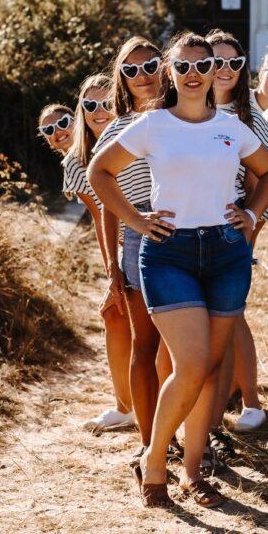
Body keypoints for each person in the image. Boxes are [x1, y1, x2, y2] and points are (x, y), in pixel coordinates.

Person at [88, 31, 268, 510]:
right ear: (170, 73)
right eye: (184, 65)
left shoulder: (233, 128)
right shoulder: (152, 126)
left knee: (212, 368)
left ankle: (192, 475)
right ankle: (155, 458)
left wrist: (252, 214)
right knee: (191, 363)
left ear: (213, 71)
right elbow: (99, 172)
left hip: (225, 252)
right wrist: (135, 220)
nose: (195, 73)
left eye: (203, 65)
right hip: (169, 254)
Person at [91, 36, 168, 463]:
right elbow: (105, 198)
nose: (142, 76)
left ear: (165, 66)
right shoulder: (118, 129)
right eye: (131, 70)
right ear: (122, 77)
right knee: (146, 344)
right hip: (140, 234)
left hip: (189, 227)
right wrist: (112, 267)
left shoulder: (185, 117)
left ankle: (189, 434)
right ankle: (148, 444)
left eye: (150, 65)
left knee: (186, 347)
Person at [207, 29, 268, 437]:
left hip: (227, 228)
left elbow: (266, 175)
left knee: (230, 315)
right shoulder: (183, 107)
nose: (224, 70)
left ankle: (247, 404)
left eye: (234, 63)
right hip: (184, 228)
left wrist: (249, 217)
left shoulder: (249, 117)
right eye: (216, 61)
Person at [61, 75, 135, 432]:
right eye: (89, 106)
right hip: (121, 242)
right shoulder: (78, 161)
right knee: (114, 313)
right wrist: (112, 269)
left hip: (150, 232)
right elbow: (98, 213)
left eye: (106, 103)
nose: (98, 111)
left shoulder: (134, 135)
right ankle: (126, 404)